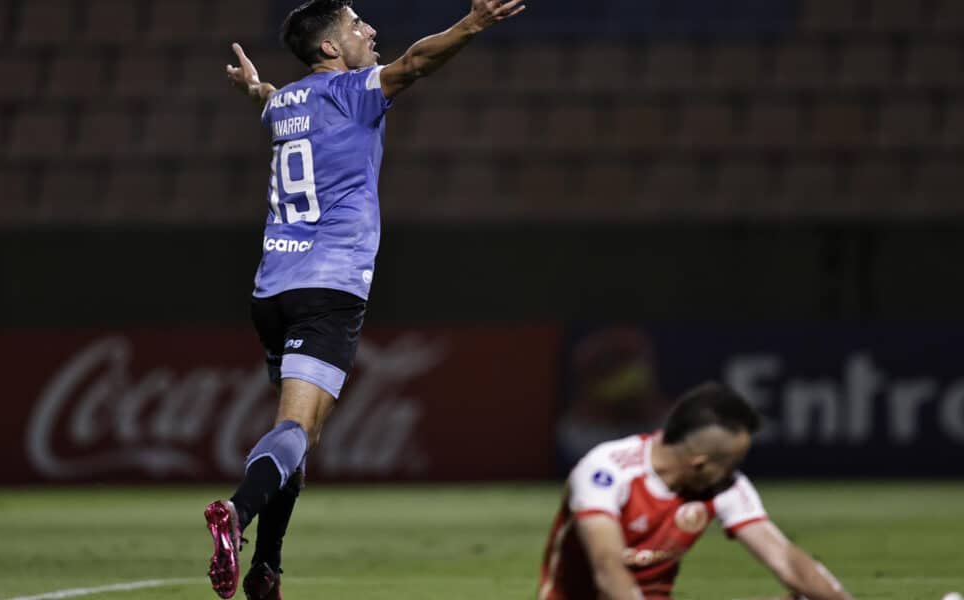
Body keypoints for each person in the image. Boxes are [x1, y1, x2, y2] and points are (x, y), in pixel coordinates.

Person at [203, 1, 526, 599]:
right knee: (297, 428)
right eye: (356, 25)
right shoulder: (354, 91)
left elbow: (274, 101)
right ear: (329, 48)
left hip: (272, 290)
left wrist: (256, 90)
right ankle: (237, 513)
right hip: (329, 288)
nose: (370, 31)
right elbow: (417, 64)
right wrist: (472, 25)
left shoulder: (283, 105)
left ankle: (266, 570)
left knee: (298, 440)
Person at [539, 382, 853, 600]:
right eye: (732, 464)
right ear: (700, 463)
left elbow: (785, 558)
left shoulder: (722, 486)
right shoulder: (606, 471)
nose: (736, 474)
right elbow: (607, 566)